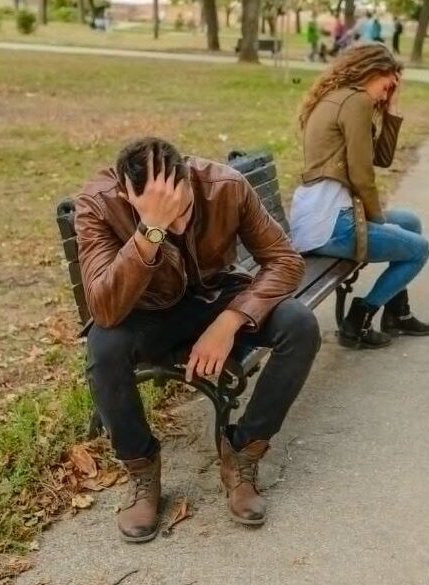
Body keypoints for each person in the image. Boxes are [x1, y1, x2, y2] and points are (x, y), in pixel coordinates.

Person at [75, 138, 320, 542]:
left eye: (182, 208)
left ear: (188, 177)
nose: (179, 226)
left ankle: (241, 454)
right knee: (104, 348)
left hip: (215, 297)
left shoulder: (224, 185)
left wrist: (230, 321)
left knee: (300, 323)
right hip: (147, 310)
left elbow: (285, 260)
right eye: (161, 216)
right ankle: (142, 472)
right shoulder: (100, 203)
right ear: (125, 194)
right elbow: (104, 309)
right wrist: (149, 231)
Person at [291, 44, 429, 350]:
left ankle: (396, 313)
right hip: (330, 224)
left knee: (409, 222)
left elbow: (380, 159)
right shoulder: (355, 101)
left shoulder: (344, 97)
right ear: (373, 72)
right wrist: (379, 221)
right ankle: (360, 318)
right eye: (387, 87)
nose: (386, 95)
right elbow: (361, 176)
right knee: (419, 250)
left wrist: (392, 109)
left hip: (326, 215)